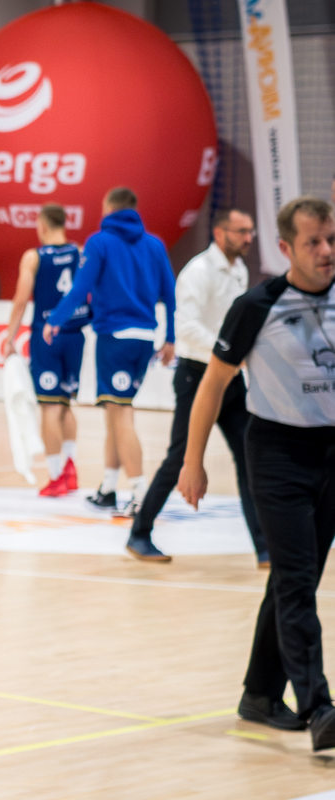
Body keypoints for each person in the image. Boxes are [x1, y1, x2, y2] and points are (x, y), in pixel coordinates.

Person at [180, 195, 335, 751]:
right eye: (313, 241)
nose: (326, 250)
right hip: (277, 456)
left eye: (331, 239)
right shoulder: (256, 306)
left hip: (330, 454)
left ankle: (260, 695)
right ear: (286, 247)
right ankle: (319, 707)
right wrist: (192, 461)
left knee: (297, 578)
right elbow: (212, 385)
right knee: (295, 579)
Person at [127, 209, 266, 564]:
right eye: (241, 231)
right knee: (180, 457)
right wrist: (228, 351)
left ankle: (265, 547)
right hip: (197, 376)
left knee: (249, 457)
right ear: (219, 233)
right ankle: (139, 533)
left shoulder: (239, 270)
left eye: (251, 231)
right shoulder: (198, 272)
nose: (248, 238)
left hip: (228, 377)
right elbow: (186, 326)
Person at [45, 187, 177, 514]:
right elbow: (171, 294)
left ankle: (142, 494)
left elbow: (80, 288)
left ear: (107, 207)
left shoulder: (99, 242)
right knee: (115, 411)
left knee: (122, 415)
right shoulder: (155, 244)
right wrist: (170, 338)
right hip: (145, 338)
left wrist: (55, 320)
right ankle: (108, 486)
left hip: (115, 338)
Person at [0, 203, 87, 495]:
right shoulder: (80, 252)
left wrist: (10, 337)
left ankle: (55, 475)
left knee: (49, 405)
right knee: (66, 403)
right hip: (75, 335)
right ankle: (71, 467)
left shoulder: (34, 257)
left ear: (43, 226)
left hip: (46, 336)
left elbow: (20, 300)